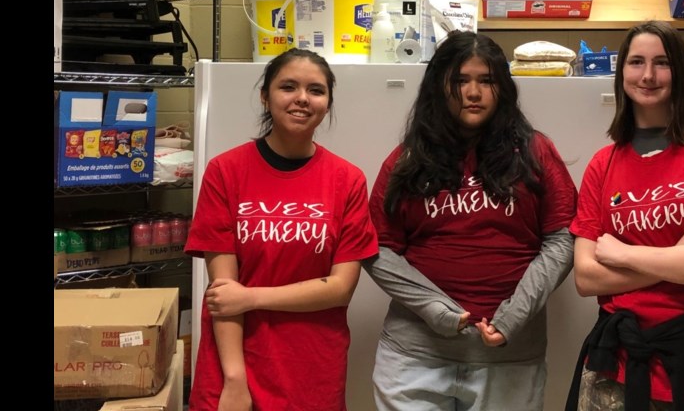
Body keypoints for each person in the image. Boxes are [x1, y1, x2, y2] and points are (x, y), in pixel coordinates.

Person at [363, 30, 577, 411]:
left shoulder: (535, 152)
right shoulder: (408, 158)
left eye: (486, 80)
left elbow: (562, 239)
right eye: (460, 80)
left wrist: (513, 316)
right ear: (439, 85)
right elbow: (377, 246)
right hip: (414, 358)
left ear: (503, 88)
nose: (473, 93)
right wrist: (435, 310)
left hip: (510, 359)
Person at [565, 21, 684, 411]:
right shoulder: (602, 165)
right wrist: (682, 253)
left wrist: (624, 255)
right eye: (637, 62)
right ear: (622, 73)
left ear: (681, 73)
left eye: (662, 63)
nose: (649, 75)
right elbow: (586, 278)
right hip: (619, 362)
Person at [185, 48, 379, 411]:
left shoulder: (347, 180)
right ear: (265, 95)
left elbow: (339, 289)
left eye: (316, 90)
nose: (302, 99)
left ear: (327, 102)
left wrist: (253, 296)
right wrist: (234, 379)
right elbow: (225, 294)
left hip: (312, 368)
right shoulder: (226, 171)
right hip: (234, 361)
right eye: (288, 86)